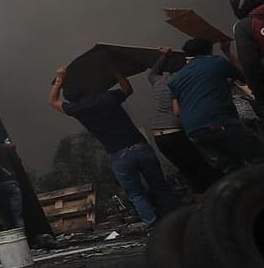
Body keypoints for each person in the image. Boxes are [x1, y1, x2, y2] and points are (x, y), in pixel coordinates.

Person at [49, 64, 176, 227]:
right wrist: (115, 70)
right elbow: (127, 89)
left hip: (119, 154)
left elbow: (52, 100)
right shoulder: (108, 98)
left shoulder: (77, 109)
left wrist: (60, 76)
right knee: (161, 187)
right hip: (140, 147)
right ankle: (177, 219)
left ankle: (154, 226)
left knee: (136, 194)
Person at [168, 38, 264, 175]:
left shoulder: (175, 79)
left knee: (233, 170)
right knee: (259, 156)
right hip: (220, 122)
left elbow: (177, 112)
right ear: (209, 50)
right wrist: (227, 52)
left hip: (194, 131)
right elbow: (244, 76)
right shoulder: (215, 62)